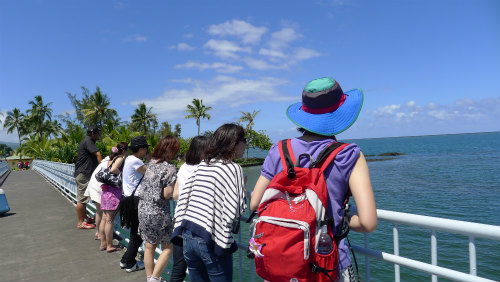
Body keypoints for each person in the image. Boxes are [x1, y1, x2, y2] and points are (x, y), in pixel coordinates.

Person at [250, 77, 377, 282]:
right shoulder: (349, 154)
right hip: (326, 266)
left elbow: (255, 204)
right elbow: (368, 222)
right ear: (339, 114)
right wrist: (340, 217)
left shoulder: (279, 150)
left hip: (281, 264)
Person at [171, 123, 247, 282]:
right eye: (244, 140)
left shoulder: (203, 165)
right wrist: (242, 187)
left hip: (188, 235)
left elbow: (185, 197)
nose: (246, 145)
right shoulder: (233, 168)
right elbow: (237, 209)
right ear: (233, 144)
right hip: (209, 239)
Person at [138, 136, 180, 282]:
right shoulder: (170, 168)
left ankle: (149, 278)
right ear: (171, 150)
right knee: (168, 246)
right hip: (158, 212)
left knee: (149, 245)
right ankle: (155, 278)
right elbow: (167, 194)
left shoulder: (150, 164)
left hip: (143, 209)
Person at [170, 135, 209, 282]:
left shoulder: (184, 167)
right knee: (204, 269)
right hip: (199, 223)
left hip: (181, 221)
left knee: (179, 267)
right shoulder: (206, 169)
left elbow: (175, 195)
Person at [120, 135, 149, 273]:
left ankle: (125, 259)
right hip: (136, 201)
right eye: (145, 149)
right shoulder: (136, 161)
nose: (146, 152)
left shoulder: (128, 159)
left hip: (127, 199)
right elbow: (151, 174)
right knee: (138, 233)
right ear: (141, 149)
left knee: (134, 232)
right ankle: (130, 263)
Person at [99, 142, 128, 252]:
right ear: (124, 150)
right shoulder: (120, 158)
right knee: (109, 220)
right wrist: (122, 175)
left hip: (106, 191)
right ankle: (110, 245)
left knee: (105, 218)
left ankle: (103, 243)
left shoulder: (111, 158)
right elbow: (113, 170)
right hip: (113, 192)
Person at [74, 126, 102, 229]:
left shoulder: (87, 141)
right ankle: (81, 223)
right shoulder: (89, 141)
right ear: (93, 134)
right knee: (82, 199)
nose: (99, 135)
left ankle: (85, 218)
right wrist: (103, 167)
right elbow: (98, 154)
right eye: (97, 133)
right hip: (84, 174)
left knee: (84, 198)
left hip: (83, 173)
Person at [84, 155, 110, 240]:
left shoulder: (104, 162)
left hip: (93, 187)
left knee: (99, 212)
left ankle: (98, 232)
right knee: (102, 213)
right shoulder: (112, 163)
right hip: (98, 188)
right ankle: (100, 234)